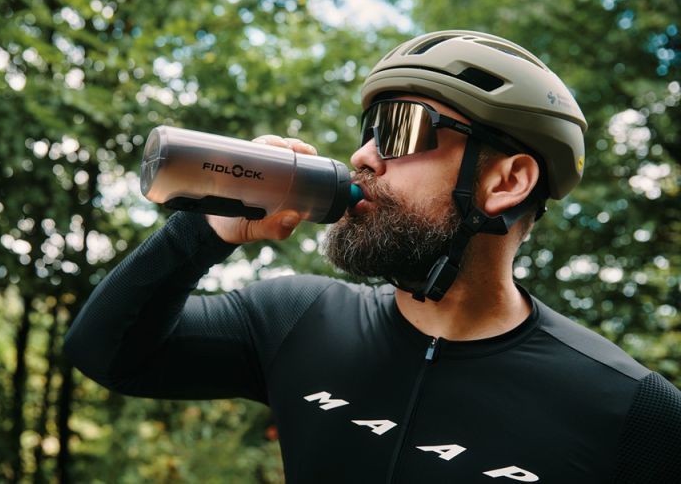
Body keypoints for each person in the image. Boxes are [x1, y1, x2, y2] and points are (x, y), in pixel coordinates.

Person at [64, 30, 681, 483]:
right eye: (368, 131)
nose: (363, 156)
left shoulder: (634, 410)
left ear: (507, 181)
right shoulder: (295, 317)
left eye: (401, 129)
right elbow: (105, 353)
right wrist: (205, 231)